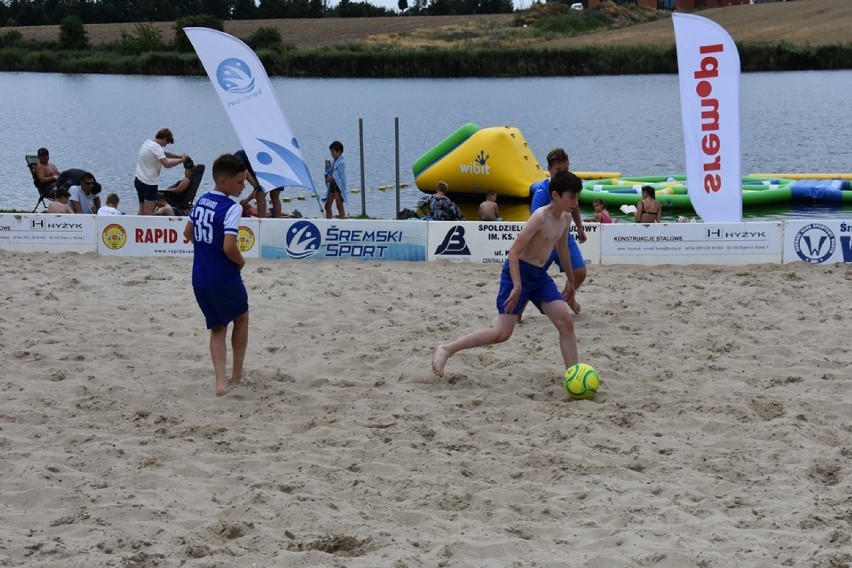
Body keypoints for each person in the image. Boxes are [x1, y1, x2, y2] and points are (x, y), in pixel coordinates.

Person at [432, 170, 582, 378]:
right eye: (572, 197)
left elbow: (563, 250)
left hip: (539, 276)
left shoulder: (565, 219)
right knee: (500, 334)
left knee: (566, 323)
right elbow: (513, 252)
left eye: (577, 197)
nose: (575, 202)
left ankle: (574, 376)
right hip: (518, 273)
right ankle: (446, 349)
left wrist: (571, 281)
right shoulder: (539, 217)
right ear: (556, 196)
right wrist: (518, 286)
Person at [183, 154, 250, 397]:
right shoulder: (232, 207)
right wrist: (240, 262)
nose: (243, 187)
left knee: (217, 328)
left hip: (199, 278)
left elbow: (187, 233)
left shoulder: (200, 200)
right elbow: (229, 247)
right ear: (223, 181)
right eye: (240, 182)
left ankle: (221, 383)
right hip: (223, 276)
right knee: (241, 317)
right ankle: (237, 375)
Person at [529, 148, 586, 314]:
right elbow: (534, 219)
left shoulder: (569, 186)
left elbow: (574, 206)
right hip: (544, 241)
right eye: (558, 170)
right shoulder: (541, 191)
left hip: (563, 237)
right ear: (549, 169)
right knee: (531, 277)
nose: (562, 173)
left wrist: (580, 227)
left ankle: (566, 298)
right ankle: (518, 312)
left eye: (566, 169)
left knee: (580, 272)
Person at [134, 128, 186, 216]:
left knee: (141, 211)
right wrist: (182, 160)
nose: (166, 145)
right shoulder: (157, 147)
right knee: (148, 213)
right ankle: (148, 229)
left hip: (138, 180)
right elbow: (167, 164)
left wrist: (178, 156)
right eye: (167, 142)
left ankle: (135, 228)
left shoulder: (148, 142)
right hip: (149, 183)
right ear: (165, 138)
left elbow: (163, 153)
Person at [234, 150, 284, 219]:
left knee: (265, 195)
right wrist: (247, 199)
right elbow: (258, 188)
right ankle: (275, 220)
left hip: (274, 167)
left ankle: (262, 222)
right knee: (273, 196)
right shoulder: (249, 165)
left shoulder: (238, 164)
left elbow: (258, 188)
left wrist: (256, 187)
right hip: (277, 166)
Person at [323, 141, 348, 219]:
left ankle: (342, 222)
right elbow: (330, 172)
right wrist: (327, 166)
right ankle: (328, 222)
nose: (331, 154)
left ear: (339, 151)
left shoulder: (341, 162)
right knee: (327, 206)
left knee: (339, 205)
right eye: (331, 152)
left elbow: (338, 176)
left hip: (338, 186)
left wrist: (331, 177)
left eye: (333, 152)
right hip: (332, 186)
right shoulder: (334, 161)